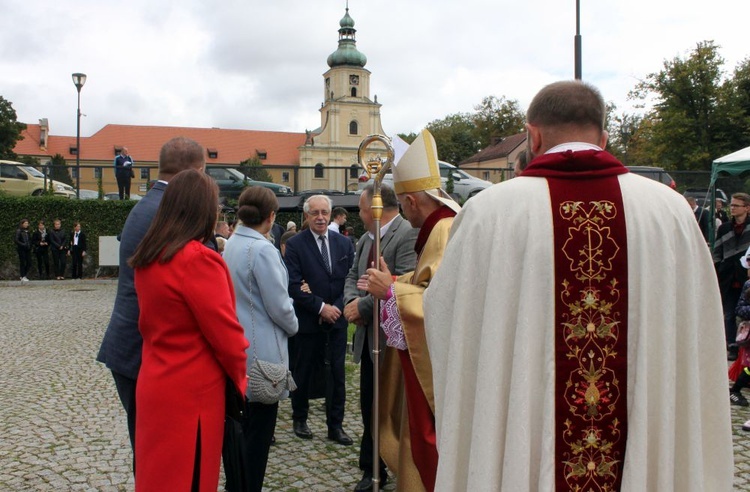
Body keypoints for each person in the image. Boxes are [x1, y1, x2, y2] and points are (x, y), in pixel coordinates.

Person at [423, 80, 733, 491]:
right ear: (604, 137)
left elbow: (447, 321)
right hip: (642, 434)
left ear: (532, 136)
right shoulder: (670, 212)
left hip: (527, 443)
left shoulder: (489, 214)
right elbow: (701, 330)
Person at [129, 169, 248, 492]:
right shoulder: (197, 260)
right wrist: (240, 383)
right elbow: (229, 340)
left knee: (158, 480)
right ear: (205, 212)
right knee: (190, 480)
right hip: (193, 395)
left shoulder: (149, 256)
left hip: (156, 383)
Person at [359, 130, 461, 492]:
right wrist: (401, 280)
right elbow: (430, 282)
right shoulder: (442, 226)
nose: (401, 211)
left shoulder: (444, 229)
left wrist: (390, 291)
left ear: (414, 202)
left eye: (402, 204)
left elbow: (443, 303)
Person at [96, 137, 207, 471]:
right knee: (157, 455)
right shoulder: (169, 211)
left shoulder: (151, 203)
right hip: (142, 351)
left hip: (132, 347)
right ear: (197, 172)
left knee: (151, 450)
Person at [223, 186, 299, 492]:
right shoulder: (263, 249)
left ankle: (237, 485)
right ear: (271, 217)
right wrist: (294, 324)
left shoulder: (232, 242)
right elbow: (279, 304)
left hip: (237, 348)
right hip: (263, 354)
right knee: (258, 438)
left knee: (241, 431)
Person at [343, 184, 418, 492]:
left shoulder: (406, 234)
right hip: (366, 338)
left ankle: (388, 463)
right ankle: (370, 466)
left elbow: (402, 284)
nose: (359, 215)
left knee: (388, 406)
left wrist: (361, 306)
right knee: (368, 403)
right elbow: (352, 275)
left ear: (376, 209)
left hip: (391, 339)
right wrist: (351, 302)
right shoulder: (364, 239)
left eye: (362, 209)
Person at [284, 195, 355, 445]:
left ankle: (335, 426)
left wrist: (336, 307)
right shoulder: (295, 245)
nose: (321, 217)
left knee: (337, 375)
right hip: (308, 320)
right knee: (302, 371)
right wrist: (321, 307)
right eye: (315, 213)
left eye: (324, 212)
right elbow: (293, 285)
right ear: (306, 216)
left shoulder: (343, 244)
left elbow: (350, 280)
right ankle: (299, 417)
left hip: (336, 321)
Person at [714, 192, 750, 361]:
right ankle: (732, 346)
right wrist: (718, 268)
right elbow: (718, 252)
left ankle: (745, 345)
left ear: (747, 208)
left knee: (744, 315)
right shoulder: (724, 228)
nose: (732, 208)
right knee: (728, 314)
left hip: (746, 279)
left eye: (736, 205)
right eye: (732, 205)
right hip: (728, 277)